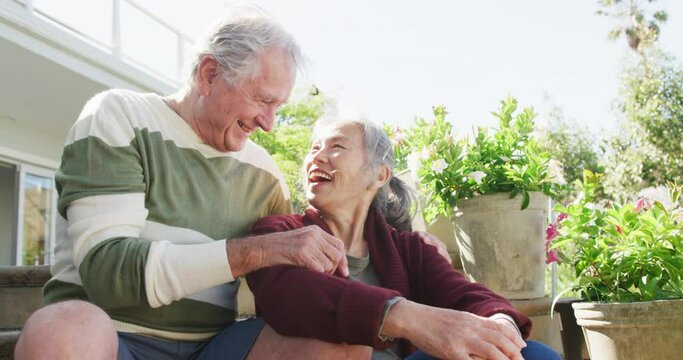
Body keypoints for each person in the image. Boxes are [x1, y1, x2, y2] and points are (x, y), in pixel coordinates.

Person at [15, 7, 450, 360]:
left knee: (344, 343)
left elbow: (313, 235)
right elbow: (109, 272)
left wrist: (415, 238)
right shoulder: (119, 117)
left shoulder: (262, 172)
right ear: (209, 74)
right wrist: (254, 252)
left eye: (277, 106)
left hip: (216, 346)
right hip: (112, 335)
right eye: (263, 100)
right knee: (62, 328)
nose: (268, 123)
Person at [245, 116, 562, 360]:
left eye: (336, 147)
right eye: (314, 149)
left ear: (379, 175)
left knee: (529, 354)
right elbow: (284, 293)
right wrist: (405, 316)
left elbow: (465, 293)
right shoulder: (278, 233)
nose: (318, 157)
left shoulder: (409, 250)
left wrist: (499, 322)